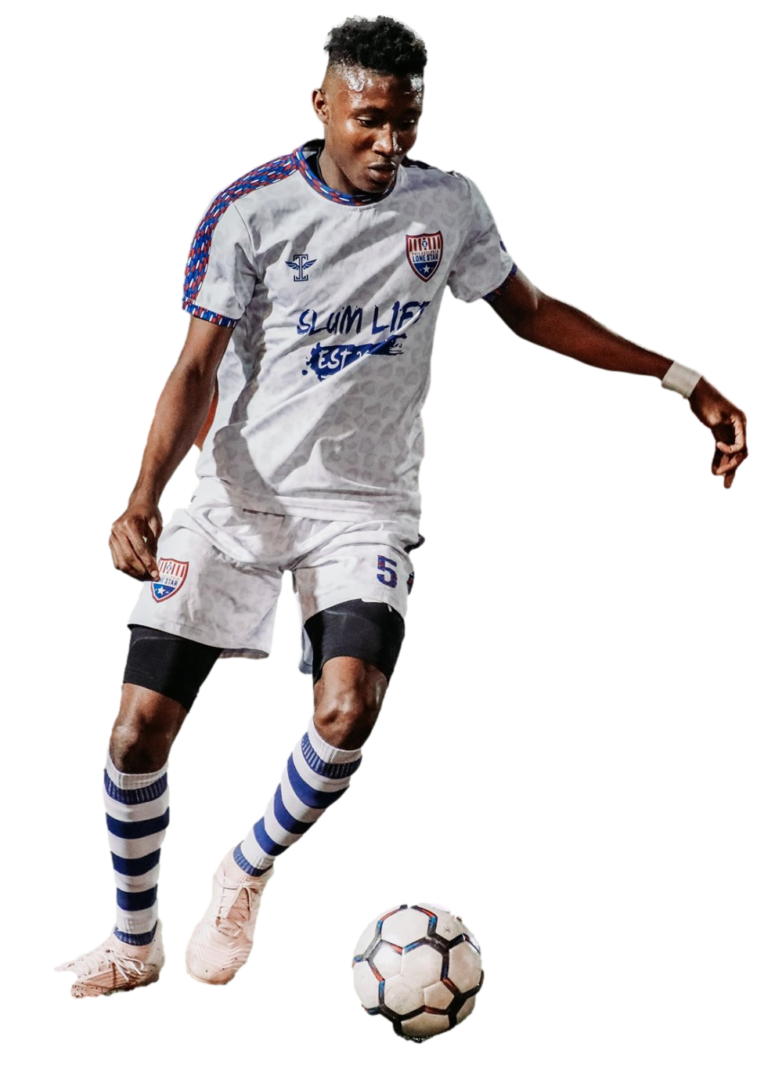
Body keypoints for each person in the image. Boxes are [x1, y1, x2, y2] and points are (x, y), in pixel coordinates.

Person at [53, 12, 750, 1001]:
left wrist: (682, 379)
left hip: (364, 507)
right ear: (321, 105)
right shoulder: (247, 210)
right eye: (370, 120)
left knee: (351, 708)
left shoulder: (447, 203)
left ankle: (245, 871)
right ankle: (134, 940)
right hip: (237, 501)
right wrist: (141, 497)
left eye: (408, 122)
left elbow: (529, 311)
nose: (390, 142)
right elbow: (194, 367)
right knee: (135, 731)